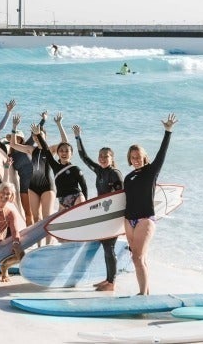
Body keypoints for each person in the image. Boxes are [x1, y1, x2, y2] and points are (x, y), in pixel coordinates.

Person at [124, 114, 177, 295]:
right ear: (129, 159)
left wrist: (168, 131)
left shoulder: (151, 171)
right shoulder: (128, 177)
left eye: (138, 156)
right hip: (128, 220)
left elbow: (162, 154)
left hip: (145, 220)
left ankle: (142, 294)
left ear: (144, 157)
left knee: (137, 258)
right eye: (133, 157)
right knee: (138, 259)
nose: (136, 160)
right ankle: (145, 293)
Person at [74, 124, 123, 291]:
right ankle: (108, 279)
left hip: (112, 217)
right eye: (100, 156)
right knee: (106, 247)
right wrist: (78, 137)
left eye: (106, 156)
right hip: (103, 216)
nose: (102, 158)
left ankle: (112, 283)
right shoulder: (99, 171)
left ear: (112, 158)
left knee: (109, 247)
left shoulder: (115, 173)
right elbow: (84, 157)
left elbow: (121, 198)